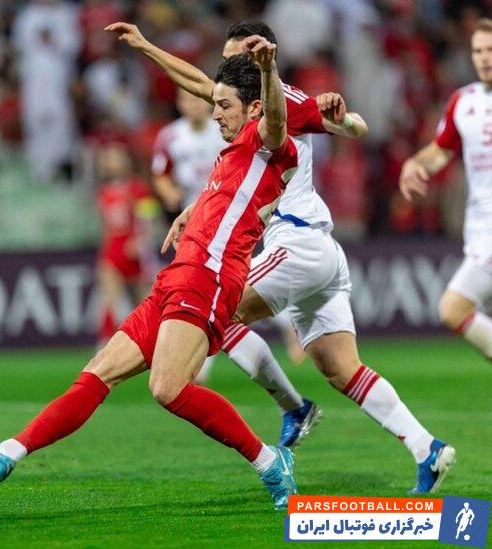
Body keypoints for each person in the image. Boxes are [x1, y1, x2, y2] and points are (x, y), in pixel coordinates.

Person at [0, 40, 301, 511]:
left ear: (253, 108)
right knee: (98, 372)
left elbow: (276, 118)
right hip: (178, 273)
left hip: (211, 276)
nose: (214, 113)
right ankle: (8, 452)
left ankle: (270, 462)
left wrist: (269, 70)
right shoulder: (231, 153)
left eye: (224, 106)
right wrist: (143, 45)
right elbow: (199, 90)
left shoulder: (269, 142)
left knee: (167, 388)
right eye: (214, 104)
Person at [108, 19, 454, 493]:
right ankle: (425, 447)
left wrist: (342, 116)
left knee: (217, 309)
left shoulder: (282, 101)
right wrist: (146, 46)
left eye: (236, 59)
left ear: (260, 56)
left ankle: (294, 407)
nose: (225, 70)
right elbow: (198, 82)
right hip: (319, 250)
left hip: (296, 243)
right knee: (339, 367)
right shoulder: (240, 100)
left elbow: (355, 126)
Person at [153, 88, 305, 385]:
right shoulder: (170, 136)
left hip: (232, 217)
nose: (195, 106)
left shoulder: (224, 129)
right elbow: (160, 173)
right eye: (187, 100)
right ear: (179, 104)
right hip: (195, 219)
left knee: (228, 285)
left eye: (198, 100)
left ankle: (289, 326)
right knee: (204, 288)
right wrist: (170, 194)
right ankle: (197, 358)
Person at [400, 18, 492, 368]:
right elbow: (441, 150)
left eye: (490, 50)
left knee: (453, 309)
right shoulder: (462, 102)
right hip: (478, 230)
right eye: (478, 51)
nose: (484, 58)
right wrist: (414, 164)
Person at [95, 143, 152, 346]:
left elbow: (149, 220)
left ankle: (146, 341)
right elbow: (105, 226)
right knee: (109, 298)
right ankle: (106, 343)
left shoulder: (139, 189)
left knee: (142, 302)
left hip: (133, 248)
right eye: (109, 159)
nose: (112, 163)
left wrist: (140, 242)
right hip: (113, 249)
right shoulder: (102, 192)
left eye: (117, 158)